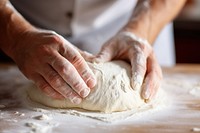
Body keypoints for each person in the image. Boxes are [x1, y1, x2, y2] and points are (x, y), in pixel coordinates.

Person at [0, 0, 186, 104]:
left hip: (133, 20)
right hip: (19, 23)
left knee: (140, 88)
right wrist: (17, 36)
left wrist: (141, 29)